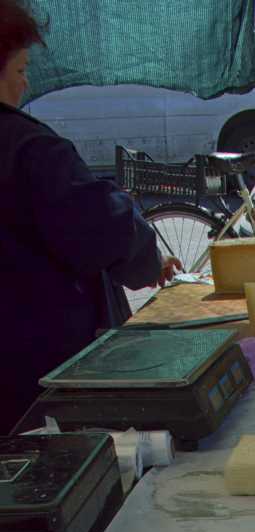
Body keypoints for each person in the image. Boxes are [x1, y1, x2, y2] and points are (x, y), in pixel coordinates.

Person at [0, 0, 180, 432]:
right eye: (22, 70)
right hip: (37, 382)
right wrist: (146, 258)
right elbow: (103, 227)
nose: (25, 85)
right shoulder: (30, 150)